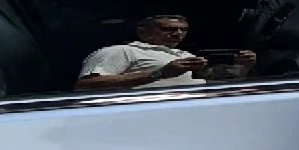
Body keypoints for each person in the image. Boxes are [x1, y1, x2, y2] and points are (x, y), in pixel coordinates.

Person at [74, 14, 255, 92]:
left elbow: (222, 82)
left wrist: (243, 66)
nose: (177, 34)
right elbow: (86, 86)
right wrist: (160, 73)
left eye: (183, 30)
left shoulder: (185, 55)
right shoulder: (122, 51)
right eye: (168, 29)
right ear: (143, 31)